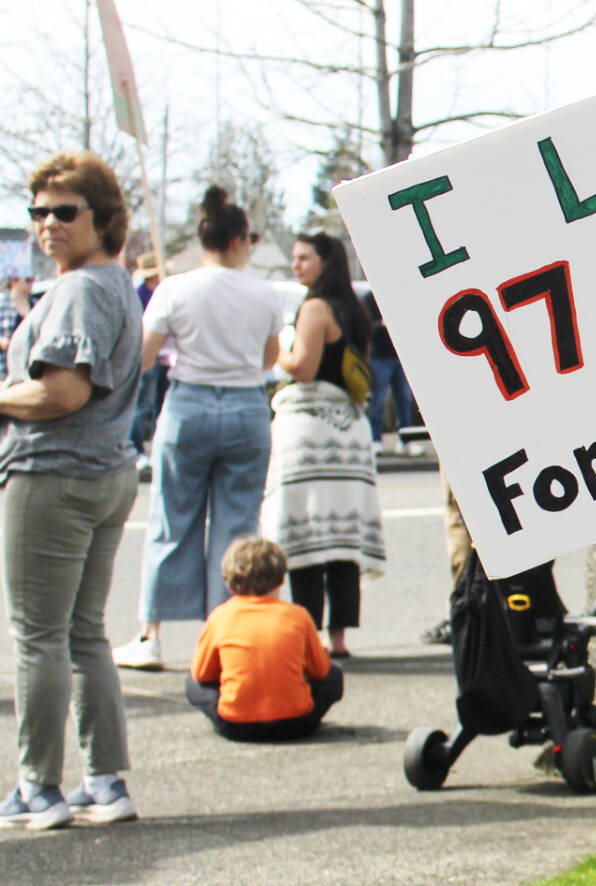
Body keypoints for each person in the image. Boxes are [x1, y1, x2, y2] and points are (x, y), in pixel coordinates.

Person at [0, 153, 144, 830]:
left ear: (103, 218)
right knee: (85, 633)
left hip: (54, 473)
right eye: (38, 212)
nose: (47, 224)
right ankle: (104, 780)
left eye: (65, 211)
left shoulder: (82, 290)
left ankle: (37, 786)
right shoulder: (115, 284)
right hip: (105, 471)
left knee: (38, 637)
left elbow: (63, 391)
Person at [116, 186, 283, 670]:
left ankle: (151, 635)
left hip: (188, 403)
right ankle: (224, 633)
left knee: (172, 518)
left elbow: (144, 357)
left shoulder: (174, 287)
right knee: (236, 525)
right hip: (246, 407)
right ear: (237, 240)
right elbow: (269, 358)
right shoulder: (265, 293)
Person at [263, 234, 386, 657]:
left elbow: (303, 368)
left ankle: (310, 635)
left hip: (312, 433)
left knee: (309, 537)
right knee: (343, 538)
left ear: (324, 262)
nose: (295, 265)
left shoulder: (314, 309)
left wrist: (279, 346)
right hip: (350, 430)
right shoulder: (355, 309)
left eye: (303, 258)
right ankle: (339, 638)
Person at [186, 536, 344, 740]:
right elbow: (321, 671)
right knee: (335, 677)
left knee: (192, 683)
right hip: (297, 723)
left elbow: (202, 675)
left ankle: (240, 704)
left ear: (229, 583)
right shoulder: (298, 615)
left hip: (236, 725)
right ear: (280, 579)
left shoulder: (220, 617)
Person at [363, 286, 418, 453]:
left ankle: (406, 440)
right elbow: (364, 326)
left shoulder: (396, 294)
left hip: (399, 356)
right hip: (379, 356)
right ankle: (376, 438)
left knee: (404, 399)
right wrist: (380, 324)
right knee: (378, 400)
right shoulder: (369, 298)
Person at [126, 250, 168, 465]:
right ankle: (135, 449)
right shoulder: (138, 294)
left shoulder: (162, 292)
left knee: (160, 404)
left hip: (164, 358)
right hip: (145, 356)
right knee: (141, 404)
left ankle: (158, 447)